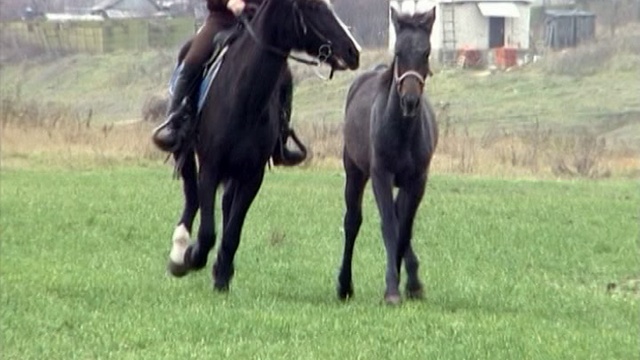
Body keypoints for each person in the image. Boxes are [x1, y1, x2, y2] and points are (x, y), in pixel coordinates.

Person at [151, 0, 306, 165]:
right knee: (193, 61)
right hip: (221, 21)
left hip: (257, 26)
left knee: (285, 75)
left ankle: (281, 138)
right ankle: (175, 123)